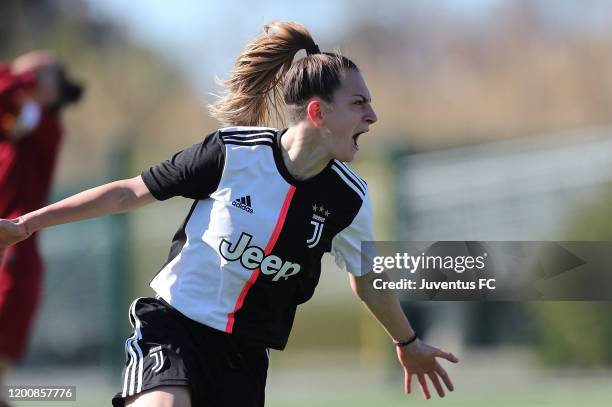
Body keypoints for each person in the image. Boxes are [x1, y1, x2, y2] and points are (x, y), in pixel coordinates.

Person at [0, 22, 458, 407]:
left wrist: (407, 342)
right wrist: (27, 224)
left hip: (244, 356)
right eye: (359, 103)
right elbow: (126, 193)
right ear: (317, 112)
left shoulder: (349, 200)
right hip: (173, 325)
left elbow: (367, 281)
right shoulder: (232, 153)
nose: (373, 116)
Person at [0, 50, 83, 406]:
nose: (31, 70)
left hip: (12, 257)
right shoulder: (16, 123)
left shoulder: (44, 126)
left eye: (42, 72)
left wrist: (19, 74)